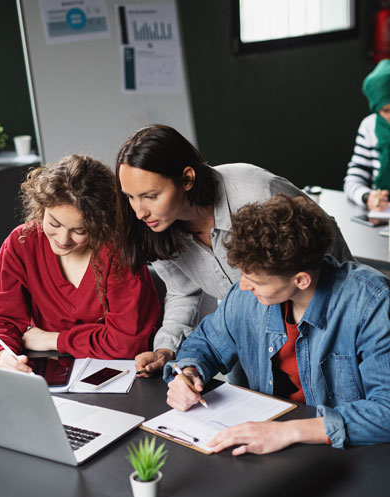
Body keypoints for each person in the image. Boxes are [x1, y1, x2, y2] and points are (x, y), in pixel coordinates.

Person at [116, 124, 352, 379]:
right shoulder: (154, 229)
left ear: (187, 179)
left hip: (320, 321)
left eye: (150, 196)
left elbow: (327, 247)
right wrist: (165, 349)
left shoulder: (258, 191)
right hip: (247, 335)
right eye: (130, 197)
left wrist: (349, 322)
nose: (139, 212)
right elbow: (182, 292)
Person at [165, 194, 390, 454]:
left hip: (346, 450)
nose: (243, 286)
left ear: (301, 280)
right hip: (267, 439)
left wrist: (288, 431)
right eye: (244, 275)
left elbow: (385, 410)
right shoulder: (244, 296)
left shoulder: (372, 303)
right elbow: (205, 344)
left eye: (257, 282)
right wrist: (189, 373)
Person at [0, 154, 159, 372]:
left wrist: (54, 340)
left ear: (102, 224)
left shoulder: (118, 253)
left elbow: (126, 342)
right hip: (51, 371)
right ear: (41, 208)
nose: (63, 239)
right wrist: (2, 355)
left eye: (80, 231)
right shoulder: (22, 243)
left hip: (121, 371)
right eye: (54, 223)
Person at [344, 58, 390, 211]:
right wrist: (368, 197)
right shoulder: (369, 127)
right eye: (386, 111)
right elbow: (353, 180)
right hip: (383, 215)